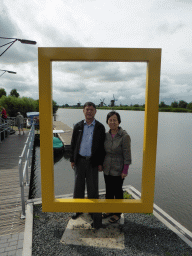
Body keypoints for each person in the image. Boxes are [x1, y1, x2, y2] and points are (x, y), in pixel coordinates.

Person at [70, 102, 105, 220]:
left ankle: (92, 209)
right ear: (83, 111)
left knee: (93, 187)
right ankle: (78, 209)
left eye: (91, 109)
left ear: (95, 111)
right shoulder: (78, 126)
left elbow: (101, 147)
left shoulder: (100, 127)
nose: (89, 111)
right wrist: (72, 159)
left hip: (93, 161)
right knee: (78, 186)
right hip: (79, 160)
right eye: (87, 109)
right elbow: (73, 143)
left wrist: (100, 163)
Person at [102, 111, 131, 223]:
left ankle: (117, 213)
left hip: (119, 168)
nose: (113, 122)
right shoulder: (106, 135)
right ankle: (109, 210)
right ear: (107, 122)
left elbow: (127, 154)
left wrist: (125, 170)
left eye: (115, 120)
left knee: (117, 191)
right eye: (110, 120)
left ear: (119, 122)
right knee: (108, 190)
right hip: (107, 167)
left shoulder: (124, 136)